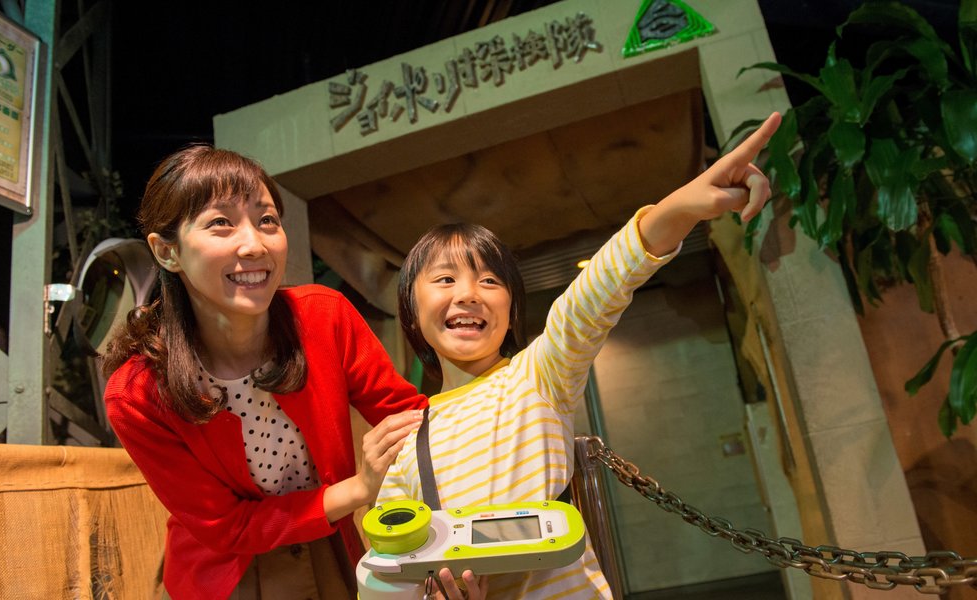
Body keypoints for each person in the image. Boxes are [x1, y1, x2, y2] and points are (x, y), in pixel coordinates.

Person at [380, 113, 782, 598]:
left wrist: (680, 208)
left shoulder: (537, 374)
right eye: (445, 279)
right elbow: (391, 570)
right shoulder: (409, 442)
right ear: (410, 308)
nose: (468, 294)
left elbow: (591, 295)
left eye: (490, 280)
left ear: (510, 311)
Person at [102, 145, 435, 600]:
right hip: (220, 578)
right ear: (167, 252)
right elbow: (226, 526)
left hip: (328, 547)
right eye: (221, 223)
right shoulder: (136, 393)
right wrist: (360, 487)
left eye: (267, 220)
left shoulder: (325, 317)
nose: (254, 244)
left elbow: (413, 418)